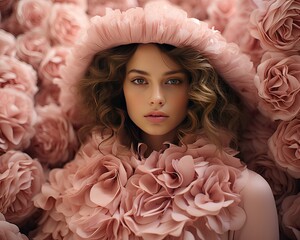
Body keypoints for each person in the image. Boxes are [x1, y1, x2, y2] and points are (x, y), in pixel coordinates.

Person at [32, 1, 279, 240]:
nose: (156, 98)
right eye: (140, 81)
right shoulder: (78, 185)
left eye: (173, 81)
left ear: (195, 88)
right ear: (119, 88)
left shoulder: (249, 194)